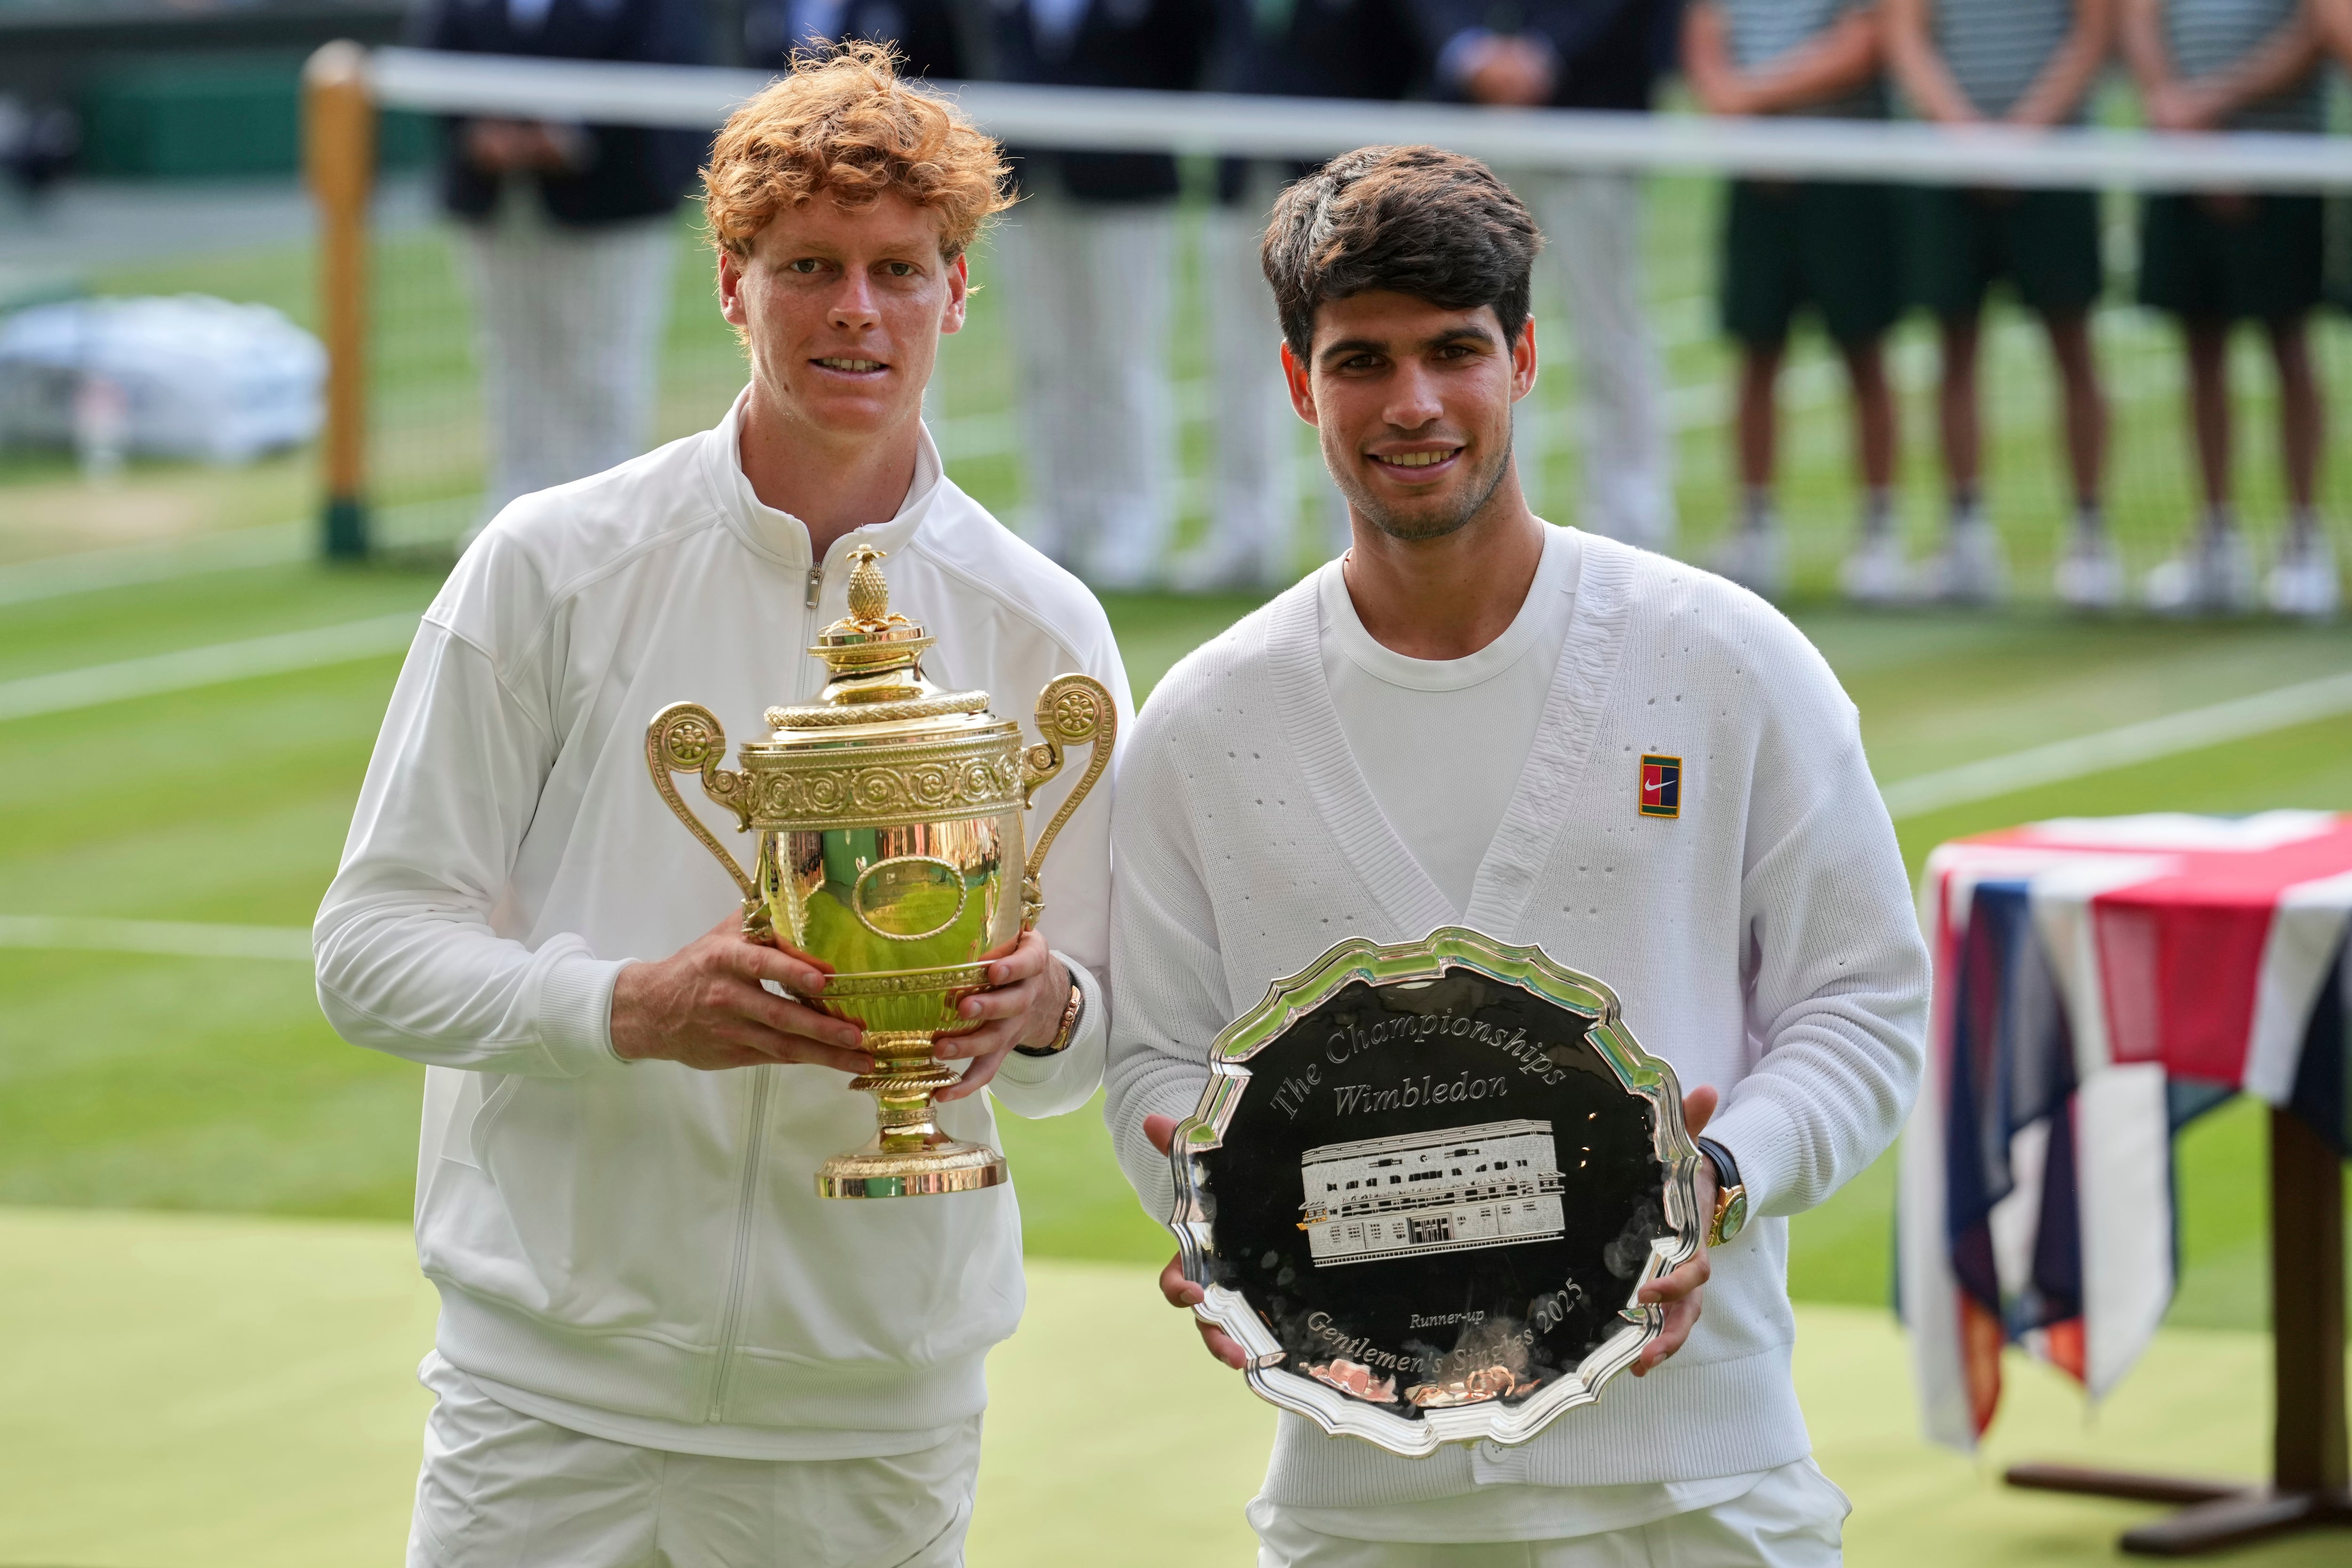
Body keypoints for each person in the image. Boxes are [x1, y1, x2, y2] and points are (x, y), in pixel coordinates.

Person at [315, 48, 1127, 1566]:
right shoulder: (550, 564)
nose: (855, 312)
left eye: (900, 270)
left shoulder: (1045, 625)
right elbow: (367, 951)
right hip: (549, 1404)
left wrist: (1045, 1004)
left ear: (958, 295)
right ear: (729, 284)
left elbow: (1088, 1033)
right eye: (807, 265)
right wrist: (631, 1005)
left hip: (873, 1413)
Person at [1104, 145, 1928, 1566]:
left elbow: (1863, 1007)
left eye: (1452, 353)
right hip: (1360, 1500)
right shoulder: (1203, 721)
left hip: (1697, 1484)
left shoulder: (1725, 664)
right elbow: (1155, 1060)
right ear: (1300, 383)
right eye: (1361, 361)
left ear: (1524, 358)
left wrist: (1709, 1183)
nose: (1410, 404)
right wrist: (1217, 1212)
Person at [414, 0, 711, 524]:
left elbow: (668, 58)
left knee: (602, 365)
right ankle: (515, 513)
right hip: (499, 202)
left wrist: (573, 138)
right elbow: (438, 51)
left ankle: (605, 518)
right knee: (511, 358)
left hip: (612, 205)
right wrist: (479, 134)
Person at [1177, 0, 1424, 591]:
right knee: (1239, 358)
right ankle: (1246, 533)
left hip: (1348, 189)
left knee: (1352, 360)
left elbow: (1402, 50)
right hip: (1242, 174)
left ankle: (1354, 539)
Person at [1421, 0, 1680, 556]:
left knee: (1608, 328)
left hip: (1592, 117)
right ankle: (1485, 517)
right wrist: (1470, 54)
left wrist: (1545, 54)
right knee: (1470, 335)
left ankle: (1630, 522)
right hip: (1470, 129)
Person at [1886, 0, 2117, 608]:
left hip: (2055, 158)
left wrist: (2025, 134)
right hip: (1951, 160)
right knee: (1954, 350)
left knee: (2073, 346)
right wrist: (1964, 133)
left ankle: (2091, 537)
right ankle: (1965, 536)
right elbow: (1907, 32)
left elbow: (2094, 30)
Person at [989, 0, 1214, 588]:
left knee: (1120, 360)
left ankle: (1133, 520)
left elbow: (1187, 54)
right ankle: (1057, 514)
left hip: (1126, 186)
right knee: (1043, 360)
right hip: (1027, 180)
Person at [1682, 0, 1902, 603]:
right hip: (1757, 181)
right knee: (1755, 352)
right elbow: (1705, 36)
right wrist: (1739, 115)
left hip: (1841, 178)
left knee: (1864, 353)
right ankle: (1753, 529)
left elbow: (1859, 46)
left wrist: (1748, 99)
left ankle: (1880, 533)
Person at [2123, 0, 2335, 616]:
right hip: (2180, 154)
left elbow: (2320, 27)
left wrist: (2214, 103)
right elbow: (2139, 16)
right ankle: (2216, 536)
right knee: (2201, 351)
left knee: (2288, 345)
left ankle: (2303, 540)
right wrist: (2174, 108)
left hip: (2281, 158)